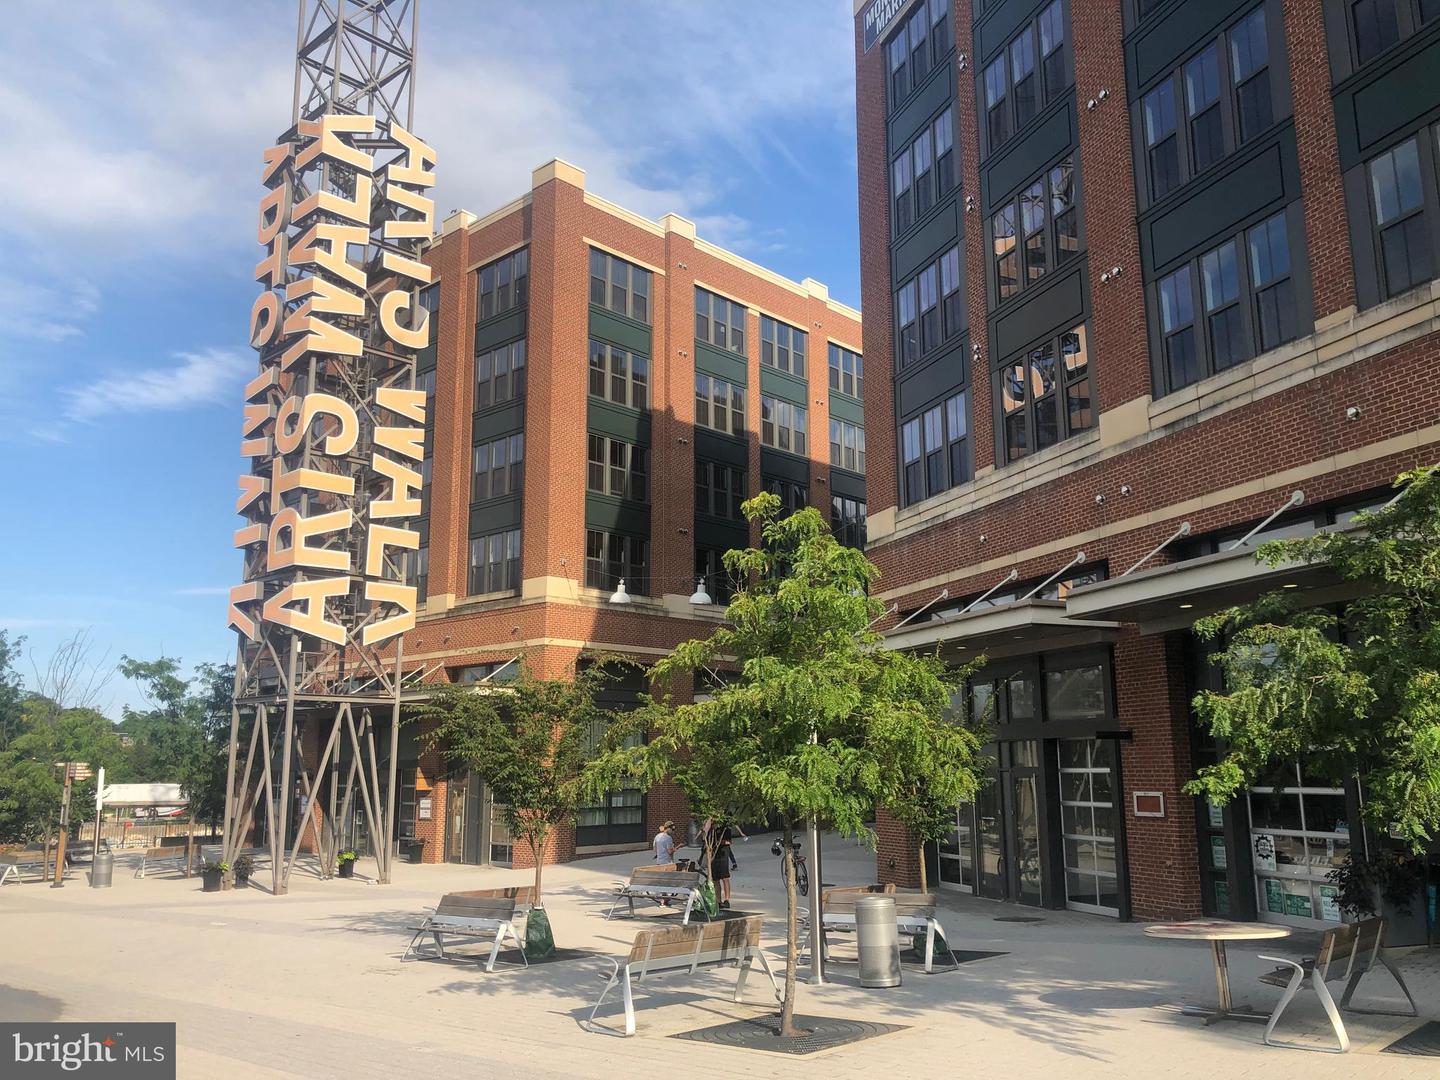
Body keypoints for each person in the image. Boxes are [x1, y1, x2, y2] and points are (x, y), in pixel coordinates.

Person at [709, 820, 734, 909]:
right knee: (715, 879)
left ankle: (727, 900)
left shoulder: (725, 828)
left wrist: (719, 842)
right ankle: (718, 900)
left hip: (723, 854)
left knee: (725, 877)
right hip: (713, 855)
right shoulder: (711, 829)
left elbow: (729, 842)